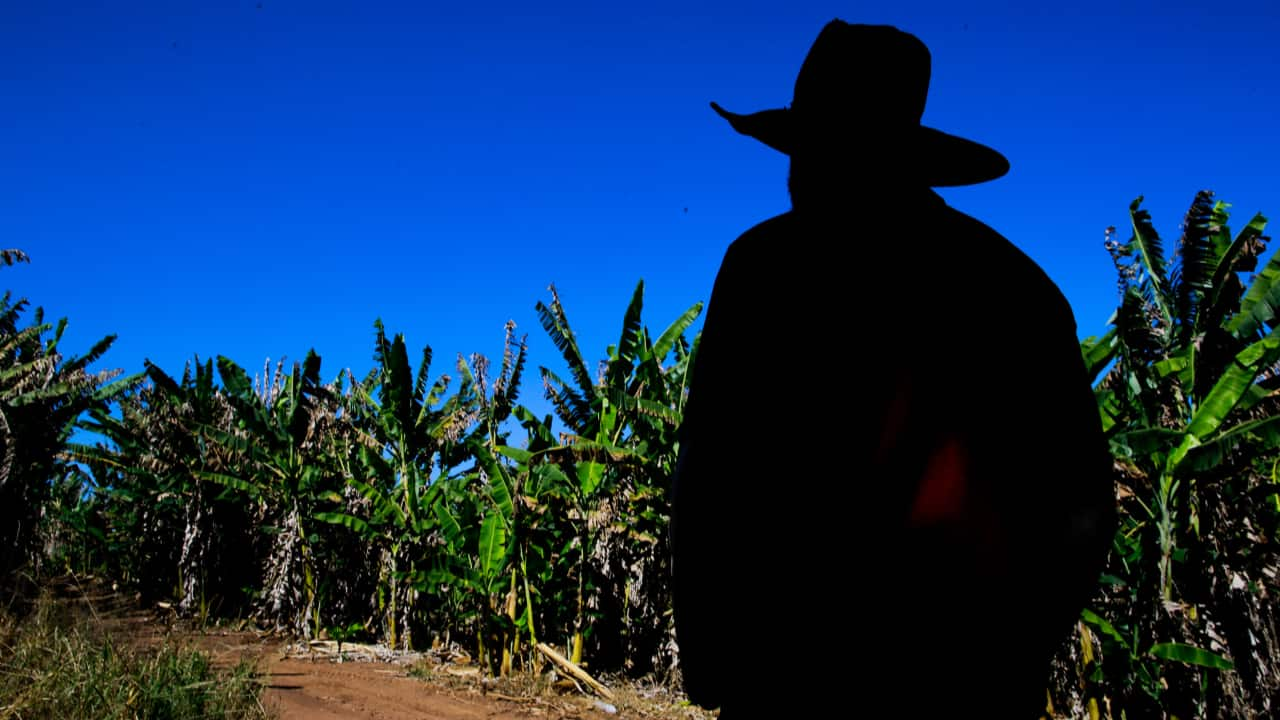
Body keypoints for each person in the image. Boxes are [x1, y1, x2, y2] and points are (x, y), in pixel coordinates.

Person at [670, 20, 1116, 717]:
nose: (796, 174)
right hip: (965, 683)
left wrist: (714, 660)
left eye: (810, 154)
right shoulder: (1017, 287)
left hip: (792, 679)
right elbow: (1081, 507)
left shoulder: (764, 269)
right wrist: (1009, 655)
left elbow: (710, 477)